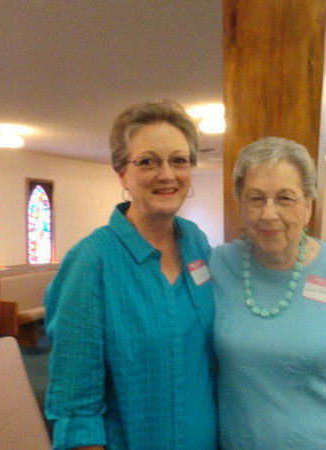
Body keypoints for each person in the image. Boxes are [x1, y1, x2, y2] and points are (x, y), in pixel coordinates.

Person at [44, 99, 216, 449]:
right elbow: (76, 410)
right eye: (148, 161)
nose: (166, 174)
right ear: (122, 173)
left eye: (178, 161)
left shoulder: (197, 243)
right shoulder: (91, 262)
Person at [211, 137, 326, 449]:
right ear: (240, 205)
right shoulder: (219, 265)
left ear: (307, 206)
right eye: (255, 198)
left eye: (285, 198)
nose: (269, 214)